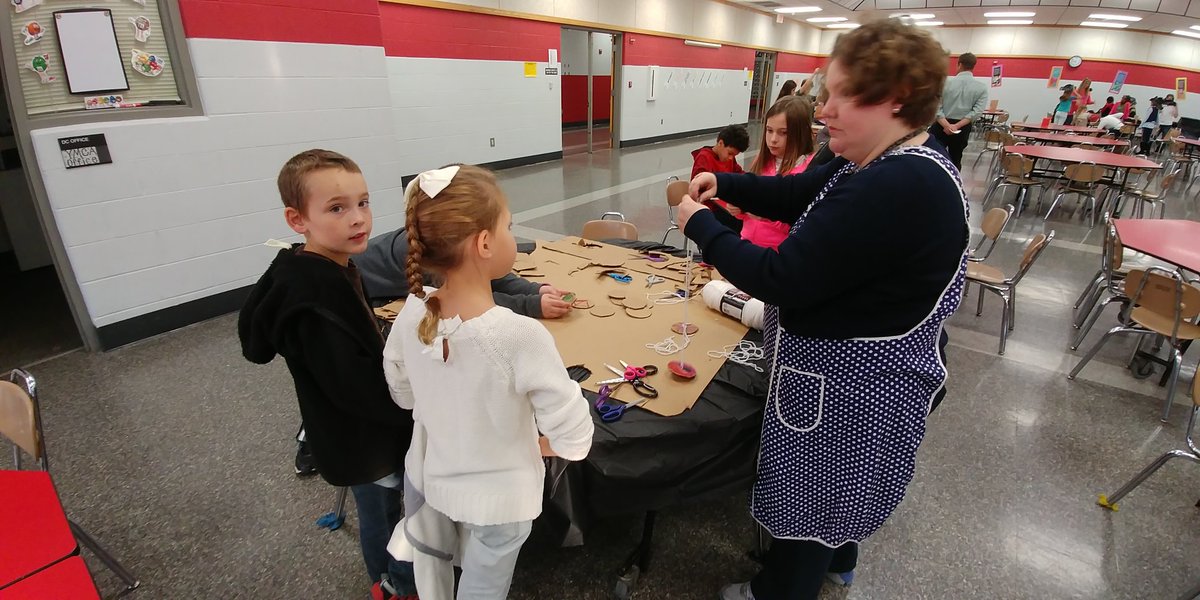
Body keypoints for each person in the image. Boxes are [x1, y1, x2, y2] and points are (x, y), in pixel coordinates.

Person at [679, 19, 968, 600]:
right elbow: (794, 194)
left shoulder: (899, 185)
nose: (823, 109)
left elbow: (781, 277)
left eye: (840, 95)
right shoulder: (881, 158)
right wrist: (726, 182)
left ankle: (780, 591)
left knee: (818, 498)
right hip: (849, 376)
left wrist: (700, 226)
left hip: (852, 390)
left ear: (895, 101)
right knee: (844, 496)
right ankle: (839, 562)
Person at [383, 164, 593, 599]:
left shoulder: (409, 312)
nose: (512, 236)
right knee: (483, 585)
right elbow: (575, 435)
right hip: (501, 503)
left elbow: (403, 393)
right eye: (509, 227)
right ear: (484, 243)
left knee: (441, 567)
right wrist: (539, 445)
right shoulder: (519, 336)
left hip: (435, 481)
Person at [238, 149, 418, 600]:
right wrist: (420, 407)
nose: (358, 219)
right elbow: (354, 389)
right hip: (363, 439)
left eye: (363, 202)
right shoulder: (315, 297)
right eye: (337, 208)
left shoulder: (319, 265)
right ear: (297, 220)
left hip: (354, 431)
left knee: (384, 508)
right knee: (384, 514)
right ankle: (391, 585)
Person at [291, 226, 576, 477]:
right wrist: (531, 305)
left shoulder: (456, 243)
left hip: (433, 471)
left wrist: (535, 290)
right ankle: (311, 441)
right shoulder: (433, 251)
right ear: (482, 237)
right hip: (378, 295)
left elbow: (489, 278)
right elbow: (464, 296)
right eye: (507, 226)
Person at [732, 95, 816, 250]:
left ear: (800, 134)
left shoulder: (809, 170)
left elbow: (801, 221)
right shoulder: (762, 162)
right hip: (747, 243)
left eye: (783, 133)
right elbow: (749, 205)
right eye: (769, 131)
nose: (773, 139)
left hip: (779, 251)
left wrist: (764, 213)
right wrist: (740, 208)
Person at [929, 51, 987, 170]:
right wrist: (956, 126)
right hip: (962, 127)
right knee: (956, 158)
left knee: (933, 155)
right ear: (973, 66)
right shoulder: (981, 88)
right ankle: (953, 183)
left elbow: (936, 106)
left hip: (942, 125)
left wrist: (947, 125)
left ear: (959, 64)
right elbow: (976, 112)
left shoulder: (944, 83)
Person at [691, 124, 751, 232]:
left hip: (724, 206)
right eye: (730, 153)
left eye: (734, 156)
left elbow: (739, 174)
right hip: (709, 209)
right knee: (737, 224)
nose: (731, 158)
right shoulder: (704, 158)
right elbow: (698, 189)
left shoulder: (729, 159)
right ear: (720, 143)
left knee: (745, 217)